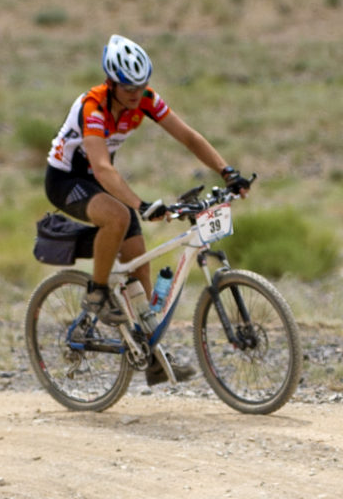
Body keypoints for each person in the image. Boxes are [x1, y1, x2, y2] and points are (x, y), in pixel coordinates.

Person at [43, 35, 242, 380]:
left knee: (140, 263)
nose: (136, 94)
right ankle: (97, 295)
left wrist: (227, 171)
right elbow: (102, 168)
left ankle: (151, 356)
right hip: (67, 179)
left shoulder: (146, 100)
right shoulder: (93, 106)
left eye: (141, 85)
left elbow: (189, 137)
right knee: (119, 216)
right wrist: (141, 204)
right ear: (111, 82)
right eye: (127, 87)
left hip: (101, 181)